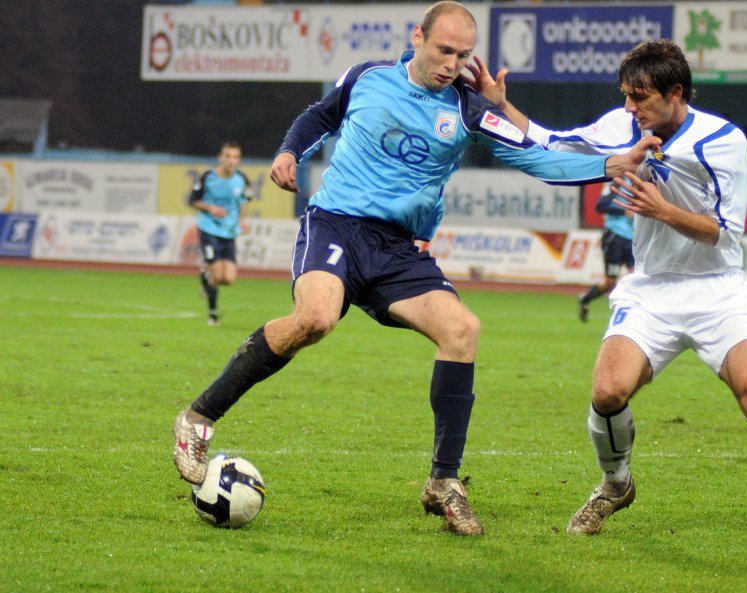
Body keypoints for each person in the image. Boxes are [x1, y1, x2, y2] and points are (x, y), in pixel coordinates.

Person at [170, 1, 657, 537]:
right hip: (335, 224)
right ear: (418, 37)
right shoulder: (368, 78)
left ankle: (443, 482)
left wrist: (607, 164)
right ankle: (197, 419)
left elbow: (536, 156)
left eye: (463, 54)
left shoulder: (469, 109)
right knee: (316, 318)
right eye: (444, 49)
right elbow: (320, 115)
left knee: (462, 330)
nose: (452, 62)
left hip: (397, 248)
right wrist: (290, 151)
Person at [465, 39, 747, 552]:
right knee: (607, 392)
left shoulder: (723, 141)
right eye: (625, 95)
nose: (629, 107)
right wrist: (500, 104)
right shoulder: (623, 127)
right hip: (651, 290)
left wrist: (661, 209)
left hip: (719, 292)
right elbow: (555, 141)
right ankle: (616, 484)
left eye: (639, 97)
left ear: (676, 93)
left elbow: (726, 234)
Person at [189, 142, 253, 326]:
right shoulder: (208, 177)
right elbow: (193, 201)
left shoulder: (241, 180)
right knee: (217, 273)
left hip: (229, 231)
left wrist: (242, 221)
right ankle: (212, 315)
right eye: (227, 156)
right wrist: (211, 208)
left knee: (229, 279)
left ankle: (205, 278)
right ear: (220, 158)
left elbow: (244, 201)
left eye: (235, 157)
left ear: (238, 160)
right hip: (208, 228)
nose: (231, 160)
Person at [579, 185, 634, 322]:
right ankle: (585, 299)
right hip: (615, 236)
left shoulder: (646, 178)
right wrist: (624, 211)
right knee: (610, 281)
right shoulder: (617, 182)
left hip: (634, 238)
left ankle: (632, 317)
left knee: (637, 276)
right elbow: (601, 206)